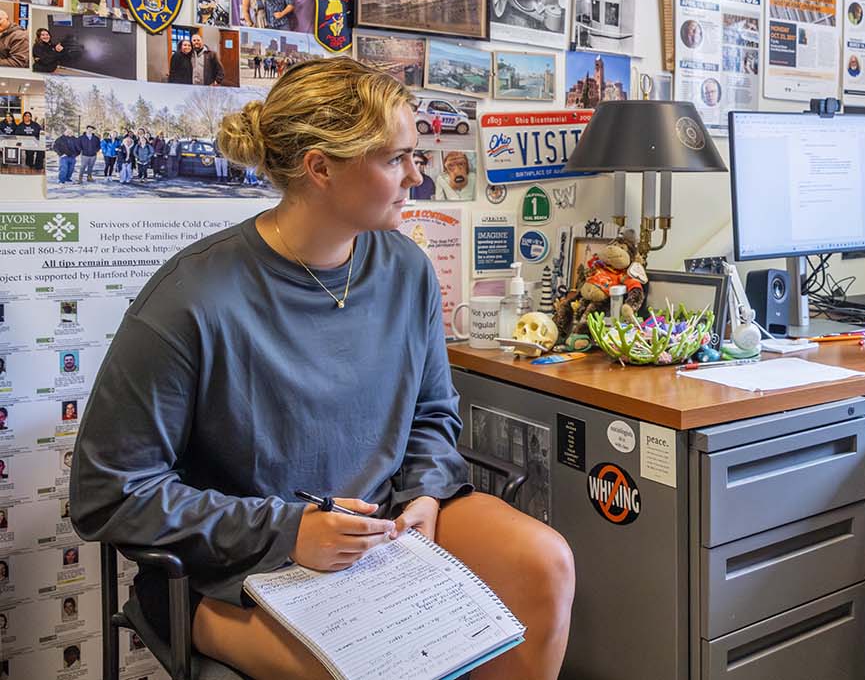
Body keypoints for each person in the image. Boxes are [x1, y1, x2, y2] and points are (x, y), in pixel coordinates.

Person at [70, 58, 576, 680]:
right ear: (320, 168)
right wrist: (286, 531)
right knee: (369, 664)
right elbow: (108, 493)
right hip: (241, 565)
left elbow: (431, 414)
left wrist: (424, 493)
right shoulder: (189, 299)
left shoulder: (407, 270)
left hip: (382, 536)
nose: (418, 176)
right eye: (396, 159)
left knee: (545, 564)